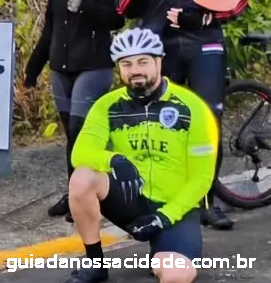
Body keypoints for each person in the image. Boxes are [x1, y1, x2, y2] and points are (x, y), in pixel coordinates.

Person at [115, 0, 245, 230]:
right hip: (159, 49)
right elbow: (122, 9)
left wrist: (205, 15)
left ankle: (207, 202)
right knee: (162, 125)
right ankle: (165, 200)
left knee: (207, 122)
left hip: (205, 43)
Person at [63, 28, 217, 283]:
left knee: (177, 275)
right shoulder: (107, 105)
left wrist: (163, 217)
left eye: (143, 62)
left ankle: (162, 253)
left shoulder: (193, 108)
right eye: (127, 64)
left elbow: (202, 178)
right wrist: (115, 160)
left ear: (159, 61)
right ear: (119, 68)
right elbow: (80, 153)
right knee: (82, 178)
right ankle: (94, 262)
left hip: (173, 206)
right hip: (130, 197)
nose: (135, 70)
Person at [23, 0, 124, 221]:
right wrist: (32, 70)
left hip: (92, 65)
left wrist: (86, 7)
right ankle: (74, 193)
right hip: (60, 66)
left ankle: (92, 194)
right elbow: (49, 29)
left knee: (82, 132)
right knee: (71, 135)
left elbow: (115, 20)